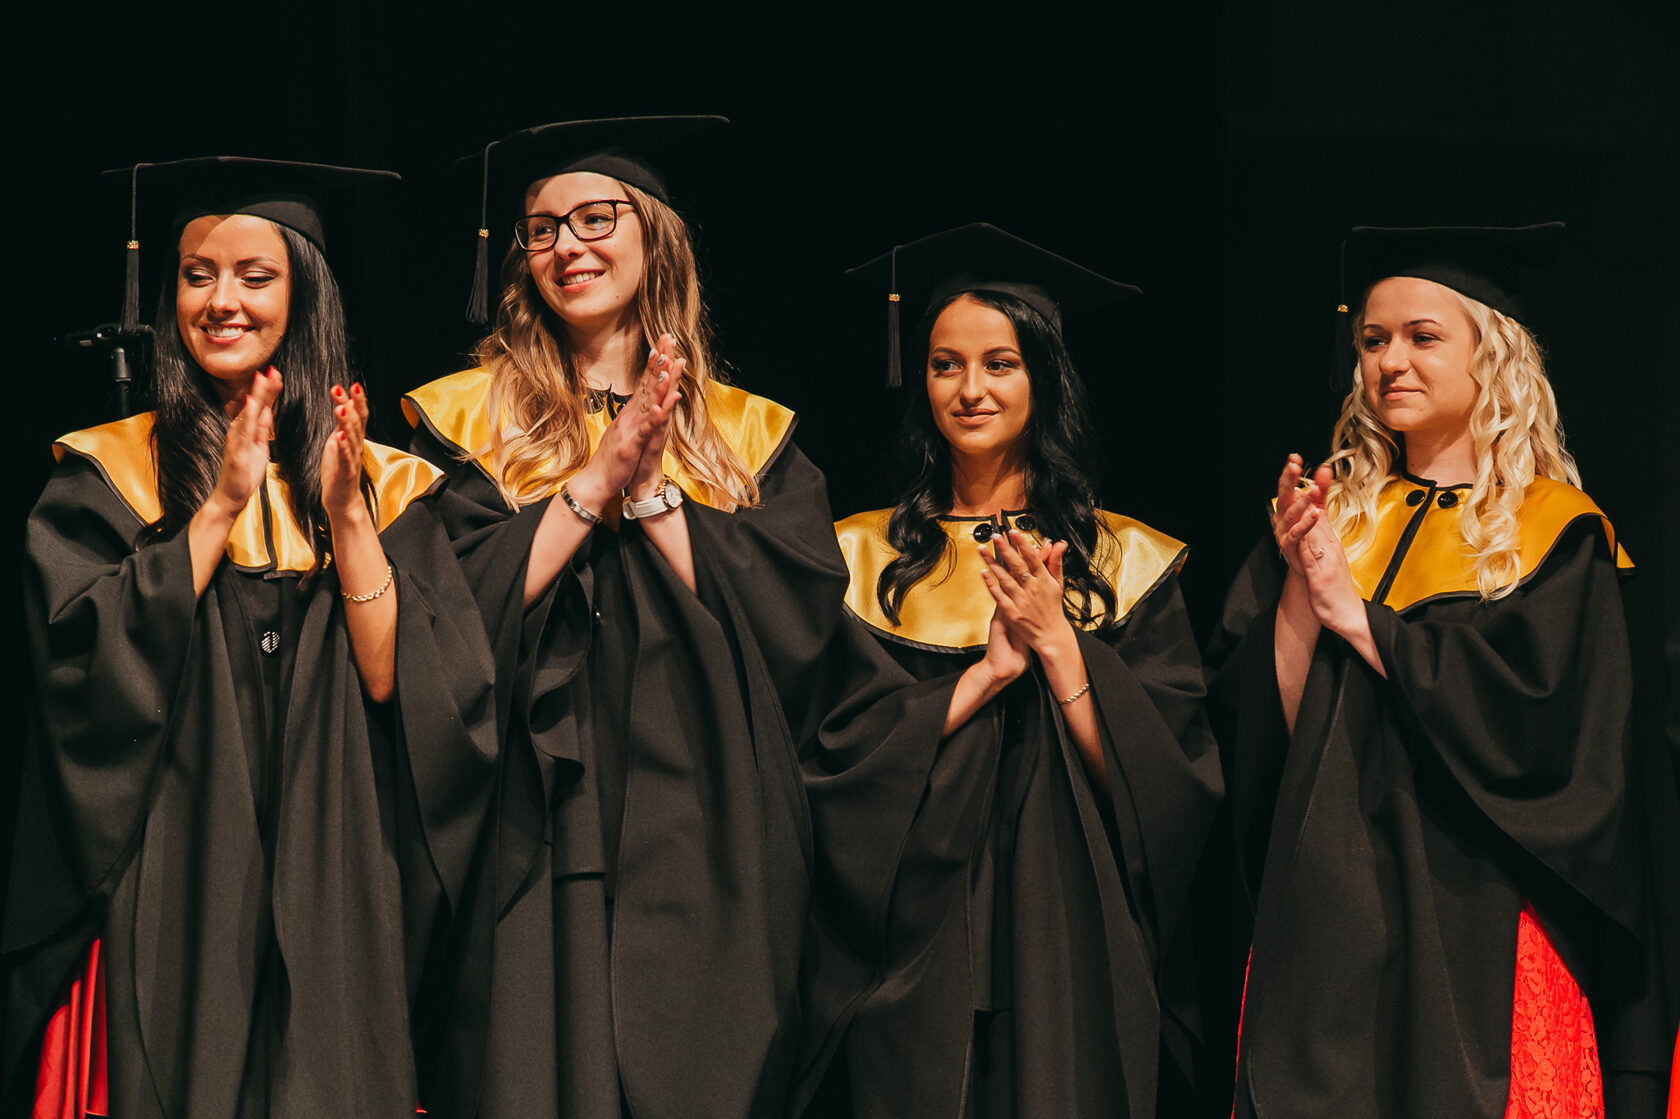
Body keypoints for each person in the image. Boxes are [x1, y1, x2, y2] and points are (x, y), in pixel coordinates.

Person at [1, 158, 498, 1118]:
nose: (221, 300)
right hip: (175, 859)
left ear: (303, 296)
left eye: (254, 276)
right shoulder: (106, 476)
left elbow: (401, 686)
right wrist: (221, 506)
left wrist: (347, 516)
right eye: (198, 275)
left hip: (333, 853)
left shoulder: (383, 480)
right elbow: (81, 676)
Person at [402, 116, 849, 1117]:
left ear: (657, 237)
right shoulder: (469, 423)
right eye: (542, 228)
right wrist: (587, 487)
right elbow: (436, 616)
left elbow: (798, 633)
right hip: (531, 821)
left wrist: (650, 496)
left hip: (705, 823)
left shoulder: (746, 436)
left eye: (596, 218)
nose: (567, 245)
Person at [1209, 224, 1668, 1117]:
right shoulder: (1333, 518)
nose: (1391, 362)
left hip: (1484, 914)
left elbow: (1553, 746)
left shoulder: (1553, 530)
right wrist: (1304, 586)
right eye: (1373, 340)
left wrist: (1365, 622)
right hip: (1329, 918)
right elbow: (1269, 731)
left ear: (1491, 354)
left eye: (1423, 337)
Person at [797, 224, 1222, 1118]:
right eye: (945, 364)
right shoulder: (860, 559)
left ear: (1045, 379)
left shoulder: (1125, 564)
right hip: (910, 944)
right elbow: (829, 766)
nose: (970, 389)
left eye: (1000, 364)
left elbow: (1168, 793)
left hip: (1065, 932)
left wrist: (1059, 645)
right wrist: (984, 677)